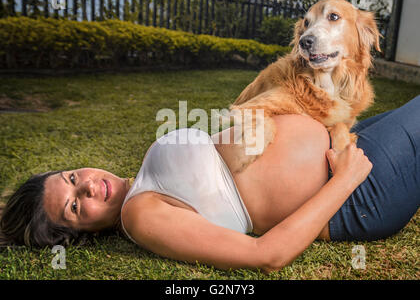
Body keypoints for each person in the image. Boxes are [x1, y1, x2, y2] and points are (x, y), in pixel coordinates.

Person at [1, 96, 419, 274]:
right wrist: (345, 180)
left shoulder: (144, 181)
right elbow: (266, 255)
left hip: (347, 143)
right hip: (359, 191)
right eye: (75, 207)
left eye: (72, 178)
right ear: (78, 235)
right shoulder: (140, 216)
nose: (87, 188)